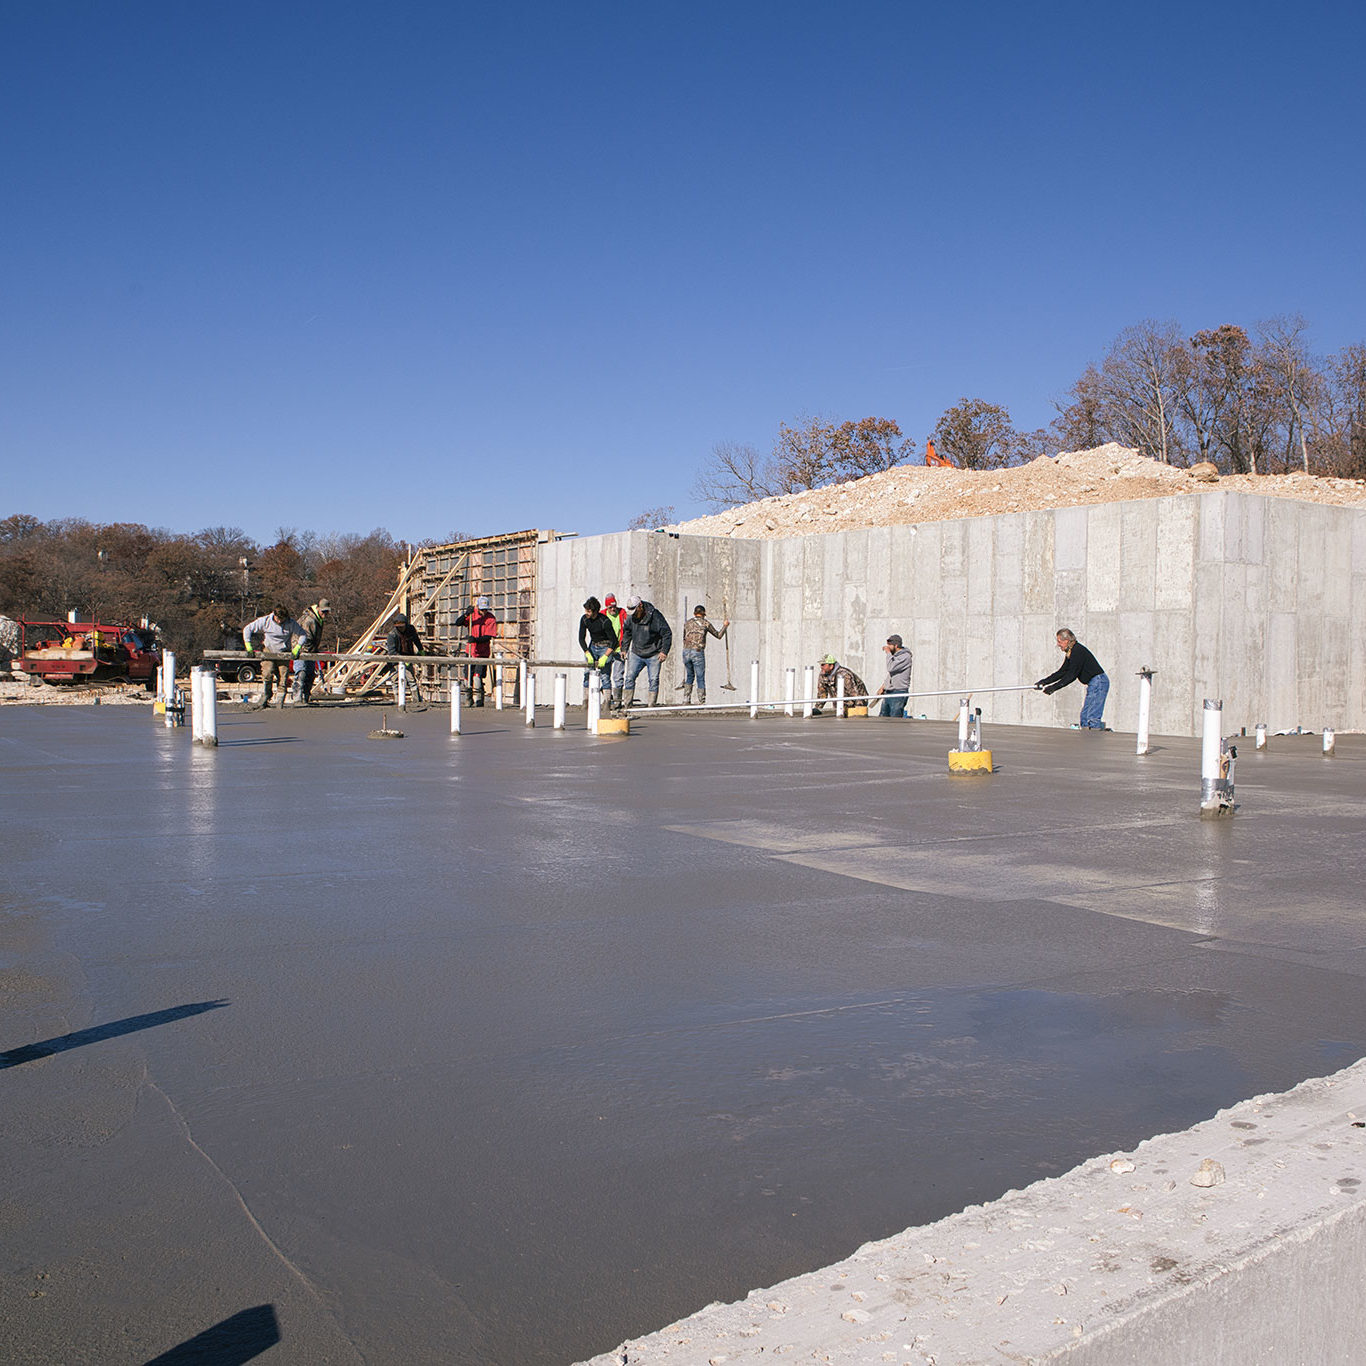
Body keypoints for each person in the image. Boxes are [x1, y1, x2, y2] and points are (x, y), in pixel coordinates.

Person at [1036, 628, 1109, 729]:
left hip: (1099, 682)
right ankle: (1087, 738)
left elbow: (1072, 675)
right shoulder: (1071, 652)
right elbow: (1062, 671)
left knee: (1091, 717)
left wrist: (1053, 687)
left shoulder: (1077, 651)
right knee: (1084, 717)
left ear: (1066, 641)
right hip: (1095, 683)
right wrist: (1044, 682)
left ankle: (1093, 739)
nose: (1058, 644)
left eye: (1059, 641)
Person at [242, 605, 306, 708]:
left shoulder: (291, 623)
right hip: (269, 649)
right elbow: (247, 629)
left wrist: (297, 647)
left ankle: (279, 701)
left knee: (283, 677)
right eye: (278, 619)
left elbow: (303, 634)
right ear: (274, 615)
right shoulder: (265, 621)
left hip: (283, 651)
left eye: (282, 619)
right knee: (267, 672)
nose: (280, 622)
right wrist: (248, 646)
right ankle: (266, 695)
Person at [618, 595, 672, 708]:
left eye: (634, 610)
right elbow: (627, 633)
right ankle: (627, 704)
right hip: (636, 653)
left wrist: (664, 651)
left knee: (653, 680)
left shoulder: (655, 616)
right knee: (629, 678)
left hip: (653, 654)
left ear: (640, 606)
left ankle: (651, 705)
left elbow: (666, 633)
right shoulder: (630, 618)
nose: (633, 614)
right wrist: (624, 649)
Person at [677, 604, 728, 705]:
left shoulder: (687, 623)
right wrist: (725, 626)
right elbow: (718, 635)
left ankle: (686, 699)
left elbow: (684, 637)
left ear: (694, 613)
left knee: (690, 675)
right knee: (700, 676)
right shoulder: (705, 623)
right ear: (704, 614)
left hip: (686, 652)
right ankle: (701, 701)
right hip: (697, 651)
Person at [455, 596, 498, 706]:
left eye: (485, 609)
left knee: (477, 677)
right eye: (482, 609)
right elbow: (458, 623)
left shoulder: (491, 619)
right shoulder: (472, 614)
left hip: (482, 653)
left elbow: (488, 636)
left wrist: (476, 640)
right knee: (467, 677)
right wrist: (466, 614)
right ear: (477, 607)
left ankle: (479, 699)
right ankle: (468, 699)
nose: (483, 612)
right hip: (470, 651)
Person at [578, 596, 619, 700]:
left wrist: (605, 656)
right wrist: (587, 652)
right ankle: (586, 701)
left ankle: (606, 702)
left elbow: (614, 641)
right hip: (593, 646)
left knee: (605, 676)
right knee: (587, 674)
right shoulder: (584, 619)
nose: (586, 613)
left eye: (589, 611)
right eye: (586, 610)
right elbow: (581, 638)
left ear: (595, 611)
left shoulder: (605, 621)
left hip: (605, 647)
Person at [294, 597, 331, 704]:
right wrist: (310, 651)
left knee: (310, 674)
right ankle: (297, 699)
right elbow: (306, 638)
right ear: (318, 609)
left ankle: (305, 697)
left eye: (327, 612)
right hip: (301, 650)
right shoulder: (309, 620)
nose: (325, 614)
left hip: (311, 650)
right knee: (301, 673)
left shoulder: (318, 619)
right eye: (323, 611)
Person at [385, 612, 423, 702]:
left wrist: (421, 649)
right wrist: (402, 660)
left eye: (402, 626)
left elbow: (416, 640)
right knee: (395, 681)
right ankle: (398, 700)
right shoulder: (392, 635)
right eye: (399, 627)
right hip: (395, 660)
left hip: (407, 656)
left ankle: (416, 700)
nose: (401, 628)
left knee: (411, 679)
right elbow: (392, 651)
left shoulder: (410, 630)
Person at [877, 634, 913, 718]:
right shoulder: (895, 657)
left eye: (890, 645)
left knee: (894, 720)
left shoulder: (905, 657)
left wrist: (888, 653)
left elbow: (891, 668)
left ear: (896, 645)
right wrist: (883, 686)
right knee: (883, 718)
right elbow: (891, 674)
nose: (888, 647)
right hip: (889, 691)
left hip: (898, 692)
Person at [602, 593, 627, 700]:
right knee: (605, 675)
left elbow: (627, 630)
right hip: (606, 650)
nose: (613, 609)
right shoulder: (602, 615)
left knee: (618, 676)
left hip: (618, 649)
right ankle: (607, 700)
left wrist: (624, 648)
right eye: (610, 607)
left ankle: (617, 700)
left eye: (614, 606)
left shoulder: (622, 613)